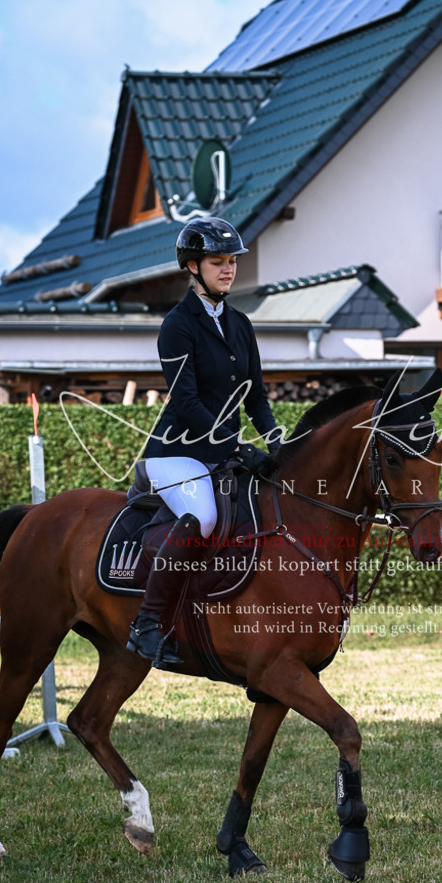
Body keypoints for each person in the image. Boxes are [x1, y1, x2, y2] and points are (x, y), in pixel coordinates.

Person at [127, 217, 280, 670]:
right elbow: (188, 400)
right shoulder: (177, 325)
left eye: (232, 261)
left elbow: (255, 395)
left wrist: (277, 445)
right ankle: (148, 624)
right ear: (192, 267)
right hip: (177, 454)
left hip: (220, 451)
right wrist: (234, 445)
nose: (228, 269)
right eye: (218, 262)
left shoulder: (241, 324)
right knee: (206, 516)